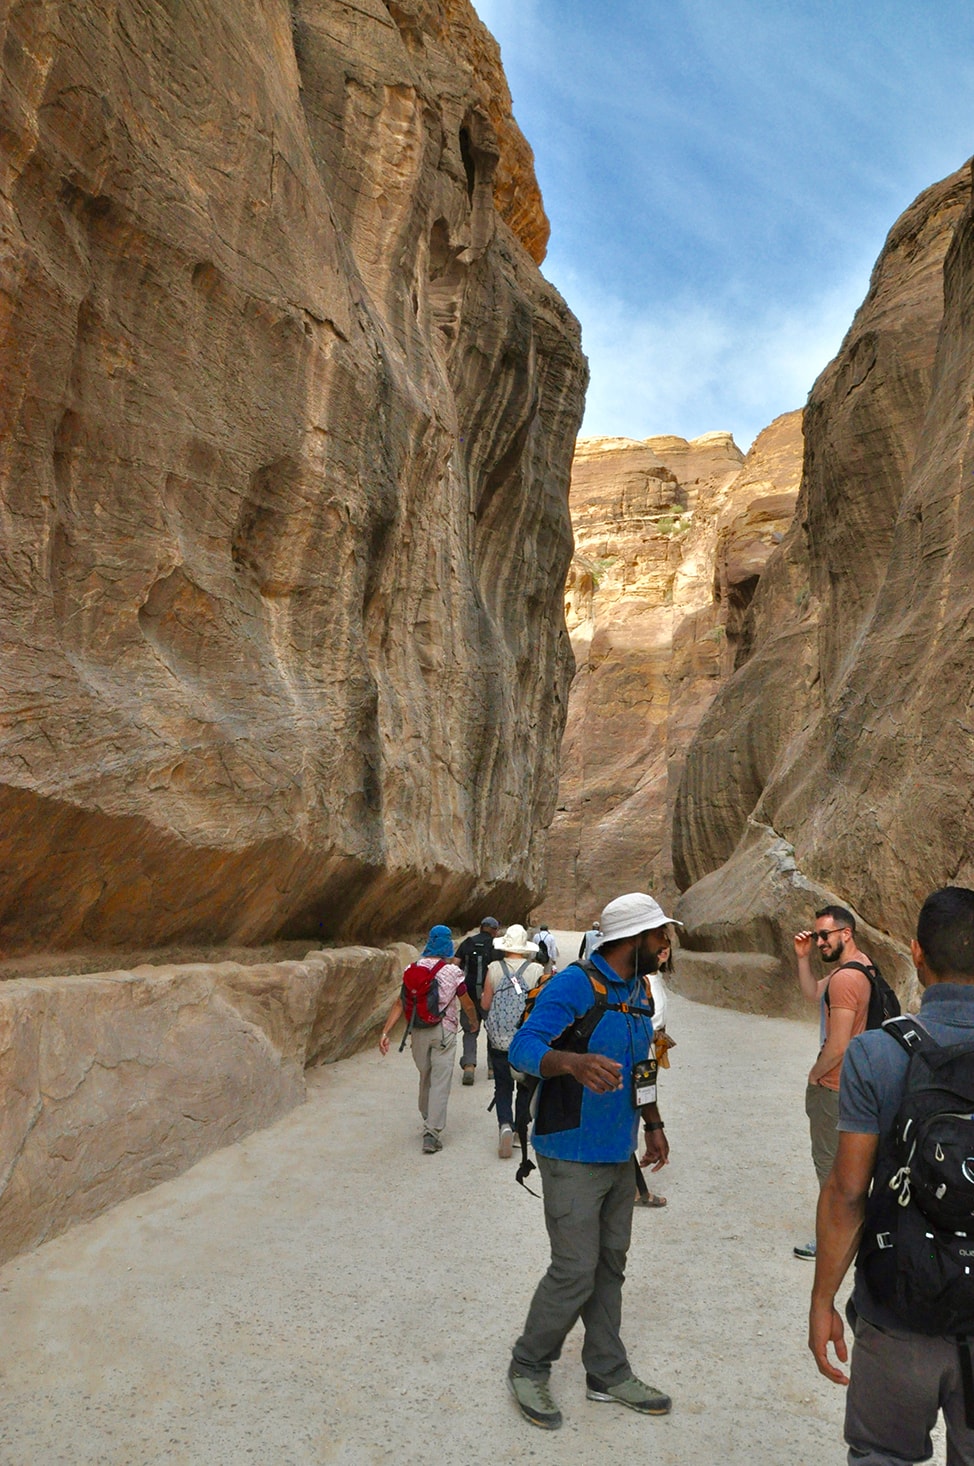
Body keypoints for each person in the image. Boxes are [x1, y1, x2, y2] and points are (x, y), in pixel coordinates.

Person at [809, 886, 974, 1464]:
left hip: (899, 1306)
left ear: (916, 954)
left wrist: (823, 1299)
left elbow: (848, 1191)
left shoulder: (879, 1054)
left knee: (881, 1454)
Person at [506, 891, 675, 1430]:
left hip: (617, 1153)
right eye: (660, 935)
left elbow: (644, 1061)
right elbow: (521, 1045)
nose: (666, 944)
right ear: (634, 940)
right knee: (575, 1268)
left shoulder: (641, 991)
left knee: (609, 1266)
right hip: (570, 1153)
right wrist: (570, 1063)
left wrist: (653, 1124)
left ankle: (605, 1371)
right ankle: (528, 1364)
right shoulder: (576, 984)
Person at [792, 905, 873, 1260]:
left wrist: (815, 1074)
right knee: (852, 1167)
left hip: (834, 1086)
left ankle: (831, 1241)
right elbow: (813, 993)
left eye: (825, 935)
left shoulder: (846, 979)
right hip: (857, 1084)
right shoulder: (861, 968)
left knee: (829, 1168)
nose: (819, 941)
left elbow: (838, 1044)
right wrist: (802, 959)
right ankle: (858, 1233)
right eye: (816, 935)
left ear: (846, 933)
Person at [379, 925, 480, 1153]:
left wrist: (385, 1032)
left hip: (418, 1031)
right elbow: (465, 1001)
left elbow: (400, 1002)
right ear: (447, 945)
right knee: (441, 1080)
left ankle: (428, 1116)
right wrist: (472, 1022)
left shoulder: (412, 968)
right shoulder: (453, 972)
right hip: (444, 1030)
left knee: (426, 1075)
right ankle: (432, 1132)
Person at [481, 924, 543, 1159]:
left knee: (503, 1086)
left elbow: (486, 1004)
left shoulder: (494, 968)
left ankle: (504, 1125)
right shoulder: (536, 970)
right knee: (526, 1086)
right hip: (526, 1039)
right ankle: (519, 1131)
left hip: (499, 1039)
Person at [454, 917, 500, 1084]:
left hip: (469, 994)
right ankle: (492, 1068)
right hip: (490, 996)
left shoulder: (468, 942)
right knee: (492, 1031)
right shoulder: (496, 946)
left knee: (470, 1030)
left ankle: (469, 1066)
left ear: (481, 927)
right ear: (494, 930)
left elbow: (455, 964)